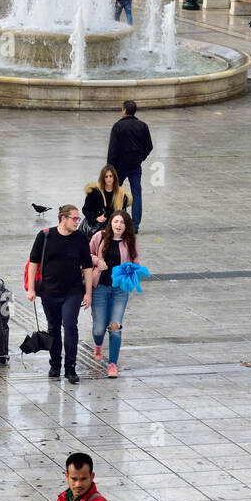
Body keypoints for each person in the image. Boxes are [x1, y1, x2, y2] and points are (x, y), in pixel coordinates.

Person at [27, 204, 92, 384]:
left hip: (73, 291)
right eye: (74, 218)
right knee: (53, 328)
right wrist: (31, 289)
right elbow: (33, 263)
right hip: (49, 291)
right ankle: (55, 364)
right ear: (63, 218)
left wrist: (88, 293)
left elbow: (87, 266)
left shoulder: (80, 238)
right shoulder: (45, 235)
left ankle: (70, 367)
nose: (77, 222)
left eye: (78, 219)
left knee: (70, 326)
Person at [89, 210, 138, 377]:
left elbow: (136, 261)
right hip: (99, 288)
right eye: (116, 221)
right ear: (111, 223)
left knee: (115, 327)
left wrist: (131, 272)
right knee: (98, 329)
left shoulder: (130, 241)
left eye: (122, 223)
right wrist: (98, 261)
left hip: (120, 290)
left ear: (126, 226)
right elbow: (87, 255)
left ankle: (112, 364)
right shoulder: (99, 237)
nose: (118, 225)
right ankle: (98, 344)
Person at [107, 99, 153, 234]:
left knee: (113, 193)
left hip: (119, 167)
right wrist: (140, 158)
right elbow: (149, 146)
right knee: (137, 194)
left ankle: (113, 221)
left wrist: (109, 168)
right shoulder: (143, 126)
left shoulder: (118, 126)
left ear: (124, 111)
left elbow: (113, 149)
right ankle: (135, 226)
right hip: (135, 166)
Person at [81, 163, 131, 236]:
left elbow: (123, 214)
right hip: (96, 228)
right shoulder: (95, 192)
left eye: (111, 176)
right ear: (102, 178)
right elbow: (85, 209)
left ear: (114, 178)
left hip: (114, 227)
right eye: (106, 177)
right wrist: (96, 218)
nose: (109, 179)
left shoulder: (121, 194)